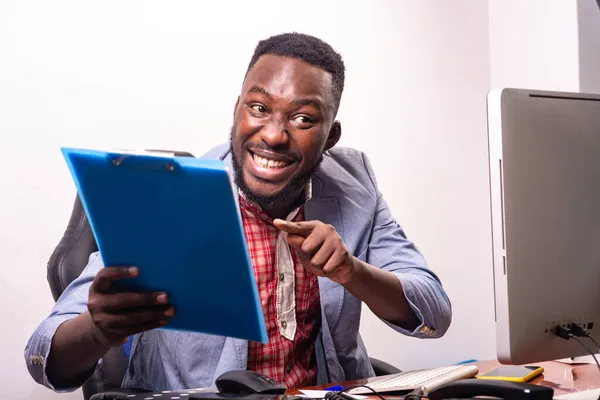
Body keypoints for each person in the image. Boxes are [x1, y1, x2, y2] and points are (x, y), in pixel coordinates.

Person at [25, 32, 451, 393]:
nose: (273, 135)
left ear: (330, 136)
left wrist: (350, 272)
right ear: (237, 110)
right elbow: (42, 355)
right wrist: (98, 330)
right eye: (260, 108)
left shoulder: (355, 184)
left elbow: (434, 312)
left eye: (303, 118)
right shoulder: (171, 200)